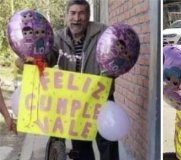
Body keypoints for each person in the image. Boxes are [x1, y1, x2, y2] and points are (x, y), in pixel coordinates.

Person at [17, 0, 118, 160]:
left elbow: (115, 58)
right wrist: (28, 59)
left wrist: (113, 72)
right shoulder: (57, 38)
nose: (76, 18)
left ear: (88, 16)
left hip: (101, 99)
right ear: (66, 16)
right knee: (81, 149)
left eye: (81, 13)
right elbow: (47, 60)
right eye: (73, 13)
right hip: (75, 103)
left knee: (108, 147)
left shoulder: (103, 33)